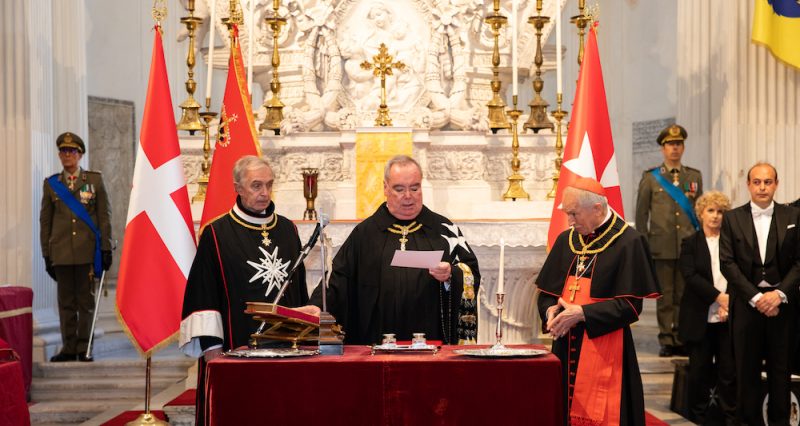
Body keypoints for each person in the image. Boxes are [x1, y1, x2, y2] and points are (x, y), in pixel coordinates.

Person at [309, 155, 479, 345]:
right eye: (399, 189)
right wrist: (316, 307)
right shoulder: (365, 234)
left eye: (415, 188)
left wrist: (451, 275)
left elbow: (470, 271)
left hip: (431, 341)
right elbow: (339, 278)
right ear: (385, 188)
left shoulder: (444, 230)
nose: (408, 196)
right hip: (377, 342)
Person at [537, 177, 660, 425]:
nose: (570, 221)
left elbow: (631, 307)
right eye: (567, 213)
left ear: (597, 208)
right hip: (565, 342)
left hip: (607, 347)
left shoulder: (629, 242)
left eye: (574, 213)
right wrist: (550, 311)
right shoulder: (566, 240)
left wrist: (582, 313)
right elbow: (547, 293)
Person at [180, 155, 317, 360]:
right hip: (237, 349)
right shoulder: (217, 234)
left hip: (289, 348)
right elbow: (204, 298)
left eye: (269, 185)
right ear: (238, 188)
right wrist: (214, 355)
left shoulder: (289, 230)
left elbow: (297, 291)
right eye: (256, 186)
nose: (265, 193)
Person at [720, 162, 800, 425]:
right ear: (748, 185)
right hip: (746, 309)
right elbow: (727, 263)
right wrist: (756, 298)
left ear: (776, 184)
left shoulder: (793, 216)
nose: (762, 187)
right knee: (746, 376)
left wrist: (779, 295)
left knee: (781, 376)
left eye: (768, 182)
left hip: (783, 309)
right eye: (757, 182)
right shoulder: (732, 218)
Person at [40, 132, 113, 363]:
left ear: (80, 154)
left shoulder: (94, 181)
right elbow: (46, 222)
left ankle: (84, 346)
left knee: (85, 302)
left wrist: (106, 248)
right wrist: (46, 254)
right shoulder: (52, 185)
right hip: (60, 252)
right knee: (66, 304)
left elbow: (104, 217)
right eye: (63, 151)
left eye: (71, 151)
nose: (67, 155)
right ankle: (69, 348)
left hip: (86, 251)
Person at [635, 123, 703, 357]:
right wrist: (644, 245)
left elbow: (700, 211)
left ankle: (682, 337)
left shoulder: (693, 176)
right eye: (670, 145)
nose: (674, 148)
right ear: (663, 148)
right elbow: (641, 215)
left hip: (687, 245)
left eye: (678, 144)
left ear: (683, 148)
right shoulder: (652, 178)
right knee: (665, 295)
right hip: (661, 247)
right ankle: (666, 338)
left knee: (684, 295)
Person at [677, 191, 736, 425]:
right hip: (699, 315)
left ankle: (730, 418)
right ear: (700, 214)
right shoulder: (689, 242)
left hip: (728, 315)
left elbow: (739, 274)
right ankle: (698, 418)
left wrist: (728, 302)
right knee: (699, 372)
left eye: (720, 212)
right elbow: (690, 276)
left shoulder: (734, 242)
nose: (715, 216)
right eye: (710, 211)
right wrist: (719, 298)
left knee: (729, 373)